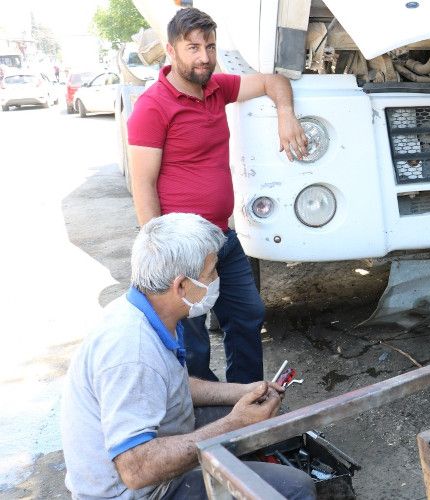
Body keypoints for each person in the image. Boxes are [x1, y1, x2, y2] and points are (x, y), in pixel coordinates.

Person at [61, 213, 316, 499]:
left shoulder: (149, 312)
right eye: (210, 273)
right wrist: (234, 423)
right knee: (295, 488)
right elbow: (136, 470)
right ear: (181, 285)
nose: (217, 279)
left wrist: (243, 391)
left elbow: (173, 385)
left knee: (264, 420)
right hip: (138, 491)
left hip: (149, 453)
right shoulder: (133, 352)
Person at [127, 8, 308, 383]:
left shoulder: (216, 87)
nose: (204, 57)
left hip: (222, 237)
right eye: (192, 47)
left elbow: (273, 81)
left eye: (209, 46)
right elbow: (142, 184)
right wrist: (161, 252)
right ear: (170, 50)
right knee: (191, 340)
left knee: (247, 314)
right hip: (182, 248)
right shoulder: (153, 105)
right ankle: (204, 420)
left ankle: (247, 404)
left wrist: (286, 114)